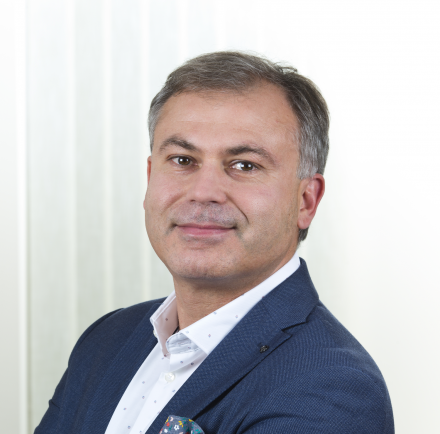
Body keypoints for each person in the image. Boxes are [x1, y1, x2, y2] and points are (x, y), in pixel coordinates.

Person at [35, 51, 394, 434]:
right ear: (150, 177)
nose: (203, 192)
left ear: (306, 201)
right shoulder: (107, 341)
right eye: (182, 160)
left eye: (245, 165)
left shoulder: (331, 388)